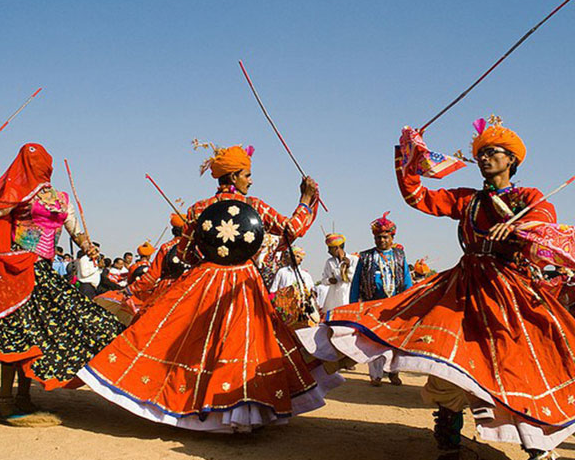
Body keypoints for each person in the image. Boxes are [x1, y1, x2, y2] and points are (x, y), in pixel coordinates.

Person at [299, 119, 575, 460]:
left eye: (492, 153)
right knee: (447, 364)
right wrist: (408, 158)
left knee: (518, 369)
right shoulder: (468, 199)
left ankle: (539, 454)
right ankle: (449, 451)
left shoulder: (528, 198)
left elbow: (545, 222)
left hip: (509, 293)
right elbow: (418, 197)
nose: (484, 158)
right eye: (481, 153)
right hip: (463, 288)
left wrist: (518, 225)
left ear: (511, 161)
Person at [78, 143, 342, 432]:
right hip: (243, 283)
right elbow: (293, 230)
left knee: (197, 347)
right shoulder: (254, 206)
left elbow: (185, 253)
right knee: (243, 345)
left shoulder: (197, 208)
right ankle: (241, 417)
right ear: (233, 177)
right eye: (247, 175)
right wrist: (305, 198)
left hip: (203, 282)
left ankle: (201, 409)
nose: (250, 180)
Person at [0, 145, 125, 423]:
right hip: (16, 273)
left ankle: (22, 398)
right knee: (15, 336)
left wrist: (89, 248)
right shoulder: (22, 195)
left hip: (43, 273)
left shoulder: (59, 199)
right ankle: (6, 402)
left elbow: (76, 231)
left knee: (40, 335)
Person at [349, 212, 413, 387]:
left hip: (395, 305)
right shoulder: (366, 257)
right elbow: (355, 283)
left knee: (395, 340)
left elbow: (407, 280)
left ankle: (393, 372)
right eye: (378, 238)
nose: (381, 241)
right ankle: (375, 375)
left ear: (392, 237)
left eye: (385, 237)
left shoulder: (400, 256)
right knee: (373, 340)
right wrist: (354, 306)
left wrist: (409, 303)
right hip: (372, 305)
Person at [320, 233, 359, 313]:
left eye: (330, 248)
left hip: (348, 297)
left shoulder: (353, 260)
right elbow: (323, 280)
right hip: (333, 300)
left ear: (337, 248)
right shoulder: (329, 262)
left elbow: (355, 279)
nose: (328, 251)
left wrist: (348, 267)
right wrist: (329, 280)